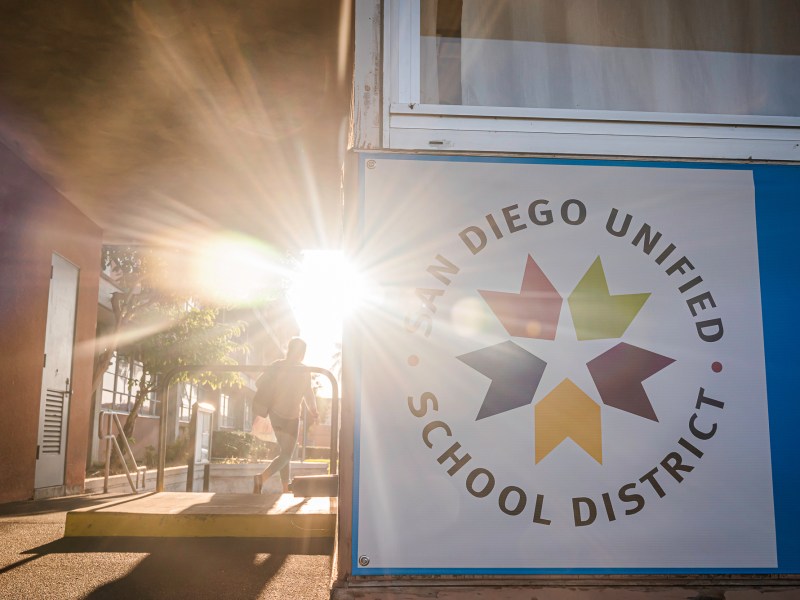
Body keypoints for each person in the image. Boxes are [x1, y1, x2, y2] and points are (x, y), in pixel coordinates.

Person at [253, 337, 319, 494]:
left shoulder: (277, 365)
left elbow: (258, 383)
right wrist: (314, 411)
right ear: (302, 353)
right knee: (287, 454)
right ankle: (261, 479)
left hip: (275, 414)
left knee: (285, 452)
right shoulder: (304, 370)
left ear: (289, 349)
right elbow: (308, 394)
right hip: (291, 418)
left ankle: (284, 489)